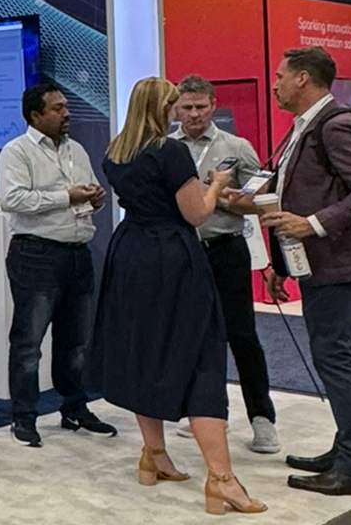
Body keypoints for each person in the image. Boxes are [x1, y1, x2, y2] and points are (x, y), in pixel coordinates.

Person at [225, 47, 351, 501]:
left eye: (280, 76)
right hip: (321, 265)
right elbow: (288, 193)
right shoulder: (305, 128)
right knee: (344, 358)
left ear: (303, 78)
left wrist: (313, 224)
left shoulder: (336, 126)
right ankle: (348, 450)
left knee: (338, 359)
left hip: (338, 264)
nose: (274, 84)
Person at [95, 76, 264, 515]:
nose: (180, 111)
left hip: (130, 254)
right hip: (172, 258)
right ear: (162, 106)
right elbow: (196, 213)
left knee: (144, 351)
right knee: (202, 355)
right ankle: (222, 479)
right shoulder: (169, 152)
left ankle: (154, 455)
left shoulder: (116, 151)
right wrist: (217, 184)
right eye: (174, 104)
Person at [0, 80, 115, 446]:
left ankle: (74, 407)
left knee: (76, 342)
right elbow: (13, 199)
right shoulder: (16, 152)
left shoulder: (76, 149)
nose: (67, 113)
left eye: (66, 106)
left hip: (77, 253)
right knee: (29, 342)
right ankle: (23, 416)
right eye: (58, 108)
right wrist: (67, 197)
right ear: (35, 116)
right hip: (36, 255)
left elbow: (87, 191)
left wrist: (94, 198)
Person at [170, 76, 279, 454]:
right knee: (193, 335)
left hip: (226, 249)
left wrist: (224, 198)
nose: (194, 114)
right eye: (187, 107)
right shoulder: (167, 148)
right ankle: (207, 413)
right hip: (183, 252)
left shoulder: (236, 147)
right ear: (176, 109)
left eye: (201, 107)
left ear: (213, 105)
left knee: (242, 335)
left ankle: (262, 419)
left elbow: (260, 201)